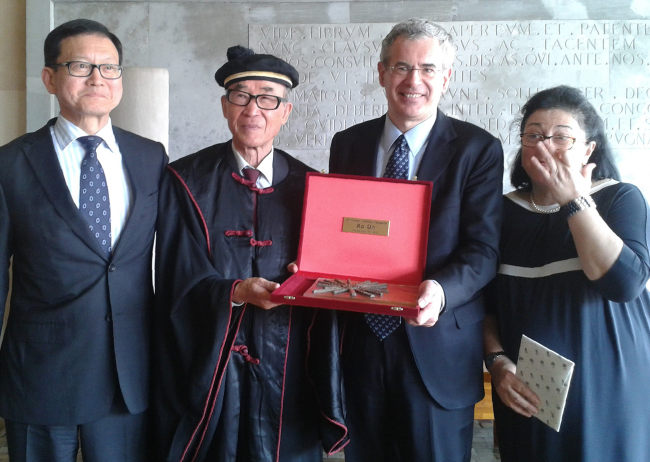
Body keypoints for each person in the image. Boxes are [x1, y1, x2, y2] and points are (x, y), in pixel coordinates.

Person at [152, 46, 348, 462]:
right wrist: (236, 291)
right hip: (212, 366)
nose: (253, 109)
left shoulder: (313, 186)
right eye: (241, 96)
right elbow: (177, 275)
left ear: (286, 111)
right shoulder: (185, 181)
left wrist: (313, 275)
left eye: (268, 98)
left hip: (289, 361)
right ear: (225, 105)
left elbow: (332, 275)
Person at [328, 18, 504, 462]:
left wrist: (441, 292)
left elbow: (483, 250)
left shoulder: (478, 149)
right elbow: (342, 232)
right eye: (402, 67)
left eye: (427, 69)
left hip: (437, 344)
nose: (414, 81)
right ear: (381, 72)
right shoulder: (347, 144)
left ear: (445, 77)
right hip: (363, 345)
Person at [0, 19, 168, 461]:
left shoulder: (150, 157)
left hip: (127, 374)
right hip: (41, 374)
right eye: (80, 66)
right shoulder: (11, 163)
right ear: (50, 78)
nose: (98, 78)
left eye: (109, 68)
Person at [483, 85, 650, 461]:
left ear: (588, 149)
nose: (545, 145)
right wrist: (497, 362)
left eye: (562, 136)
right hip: (530, 393)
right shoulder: (499, 212)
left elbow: (623, 283)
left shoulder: (620, 198)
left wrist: (575, 201)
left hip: (611, 390)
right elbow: (481, 304)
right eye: (534, 135)